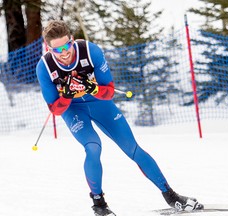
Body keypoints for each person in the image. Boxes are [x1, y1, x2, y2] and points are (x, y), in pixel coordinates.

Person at [36, 20, 203, 216]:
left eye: (67, 46)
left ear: (72, 40)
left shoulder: (91, 52)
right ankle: (99, 205)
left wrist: (92, 87)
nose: (64, 53)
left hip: (99, 102)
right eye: (57, 50)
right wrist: (66, 94)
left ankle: (171, 196)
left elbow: (109, 92)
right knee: (93, 147)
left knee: (132, 148)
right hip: (73, 109)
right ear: (49, 49)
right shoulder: (44, 67)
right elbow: (55, 110)